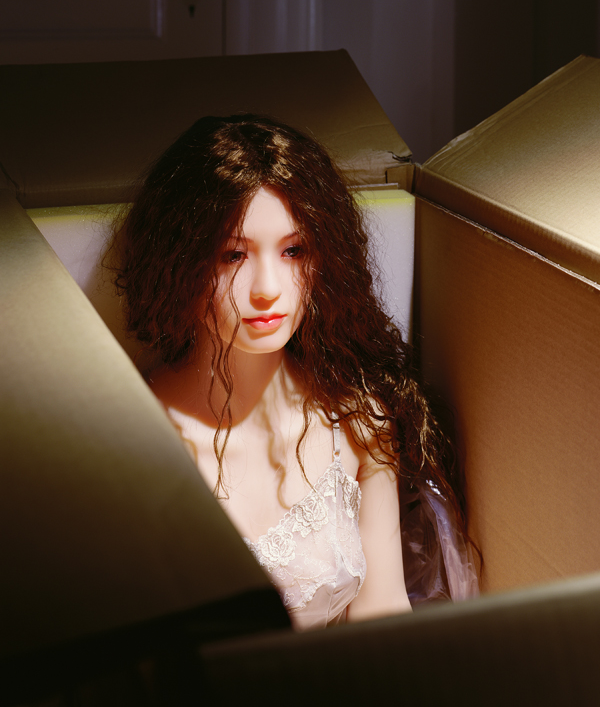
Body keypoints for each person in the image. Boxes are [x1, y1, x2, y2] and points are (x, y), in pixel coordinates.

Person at [111, 114, 479, 630]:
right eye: (232, 255)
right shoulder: (137, 442)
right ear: (179, 263)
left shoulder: (359, 424)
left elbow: (384, 624)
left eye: (293, 251)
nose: (268, 287)